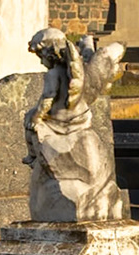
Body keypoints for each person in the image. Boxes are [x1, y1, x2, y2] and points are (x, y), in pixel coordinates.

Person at [23, 26, 129, 222]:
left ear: (50, 53)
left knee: (29, 122)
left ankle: (31, 156)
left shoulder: (52, 75)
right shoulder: (74, 71)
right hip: (79, 120)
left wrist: (37, 116)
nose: (40, 60)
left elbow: (48, 97)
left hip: (58, 123)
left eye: (41, 55)